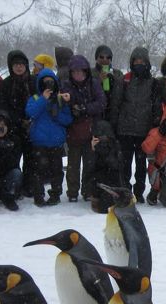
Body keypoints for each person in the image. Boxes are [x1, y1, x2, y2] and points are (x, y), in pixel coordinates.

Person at [109, 46, 162, 203]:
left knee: (141, 166)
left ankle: (139, 192)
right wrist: (114, 125)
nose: (139, 63)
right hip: (124, 130)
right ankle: (125, 191)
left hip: (144, 131)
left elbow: (156, 106)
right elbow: (116, 104)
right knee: (124, 164)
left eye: (142, 61)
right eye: (136, 61)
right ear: (132, 62)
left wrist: (155, 124)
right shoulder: (123, 80)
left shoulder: (153, 83)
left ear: (147, 62)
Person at [25, 68, 72, 206]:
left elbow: (68, 120)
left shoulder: (60, 99)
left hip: (56, 142)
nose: (48, 85)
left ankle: (55, 194)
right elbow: (30, 112)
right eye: (45, 82)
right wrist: (43, 100)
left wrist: (57, 114)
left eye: (51, 82)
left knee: (56, 171)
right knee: (38, 170)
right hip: (39, 141)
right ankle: (38, 194)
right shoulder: (35, 98)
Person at [62, 54, 105, 202]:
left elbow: (101, 103)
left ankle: (87, 190)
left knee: (89, 164)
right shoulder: (67, 85)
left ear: (86, 71)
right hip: (73, 131)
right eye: (74, 72)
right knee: (73, 165)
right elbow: (63, 105)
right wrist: (71, 105)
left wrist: (84, 108)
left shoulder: (94, 84)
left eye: (80, 71)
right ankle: (72, 192)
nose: (78, 74)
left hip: (91, 130)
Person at [0, 50, 37, 197]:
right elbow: (4, 106)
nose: (19, 68)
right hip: (13, 126)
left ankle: (29, 186)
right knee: (13, 158)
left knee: (31, 159)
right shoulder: (6, 84)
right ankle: (14, 186)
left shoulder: (33, 81)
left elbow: (38, 101)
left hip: (32, 125)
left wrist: (31, 119)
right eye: (16, 65)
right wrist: (18, 120)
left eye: (21, 64)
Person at [90, 120, 124, 213]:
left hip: (108, 187)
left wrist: (96, 150)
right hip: (111, 188)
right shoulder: (115, 144)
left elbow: (96, 168)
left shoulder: (110, 146)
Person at [91, 45, 123, 121]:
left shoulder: (117, 73)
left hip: (113, 112)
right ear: (96, 58)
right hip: (96, 113)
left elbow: (123, 92)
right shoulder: (90, 72)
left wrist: (114, 81)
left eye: (108, 57)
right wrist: (99, 81)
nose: (105, 59)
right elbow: (86, 92)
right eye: (101, 57)